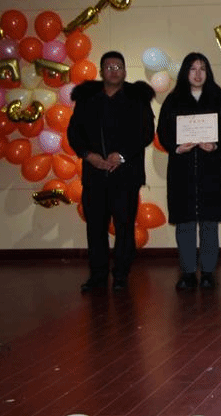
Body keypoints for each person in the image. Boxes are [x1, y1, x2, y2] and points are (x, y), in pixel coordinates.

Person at [67, 51, 155, 292]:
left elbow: (146, 133)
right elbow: (74, 133)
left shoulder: (137, 98)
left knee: (124, 228)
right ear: (101, 71)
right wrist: (88, 155)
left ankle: (121, 275)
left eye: (118, 67)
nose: (114, 71)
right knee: (95, 228)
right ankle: (97, 276)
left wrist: (122, 155)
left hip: (126, 175)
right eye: (109, 67)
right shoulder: (87, 99)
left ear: (125, 71)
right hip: (95, 175)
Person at [157, 53, 221, 290]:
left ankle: (208, 272)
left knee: (209, 223)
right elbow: (163, 131)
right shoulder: (173, 99)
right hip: (182, 169)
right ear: (185, 72)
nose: (198, 74)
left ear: (208, 72)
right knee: (185, 223)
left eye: (202, 69)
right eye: (193, 69)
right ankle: (187, 272)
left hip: (211, 169)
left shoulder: (218, 98)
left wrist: (216, 145)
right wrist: (176, 147)